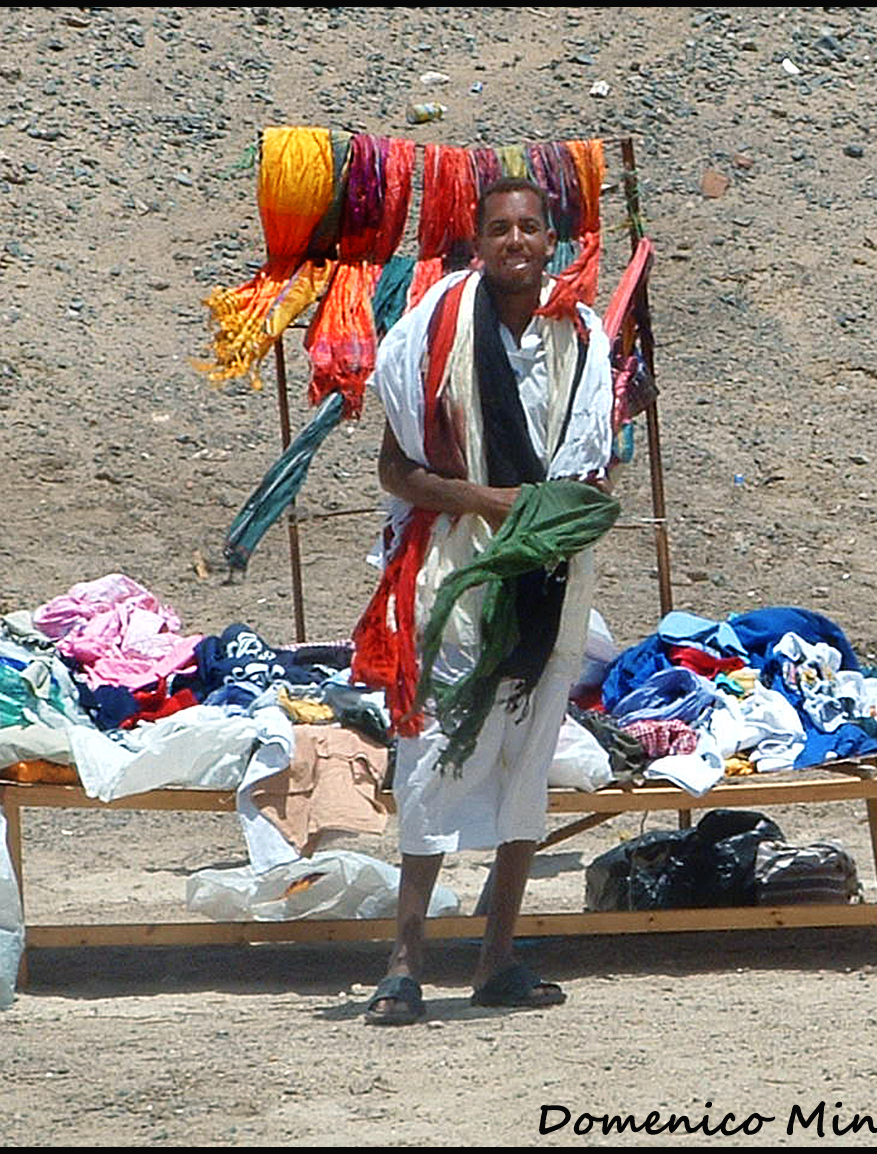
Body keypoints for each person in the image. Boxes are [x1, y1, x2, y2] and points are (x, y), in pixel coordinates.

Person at [350, 177, 615, 1024]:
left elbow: (592, 466)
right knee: (434, 748)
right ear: (478, 240)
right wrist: (486, 501)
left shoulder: (582, 339)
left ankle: (498, 957)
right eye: (498, 228)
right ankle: (404, 962)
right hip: (455, 570)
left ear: (550, 242)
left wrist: (554, 515)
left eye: (529, 228)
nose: (515, 242)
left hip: (551, 575)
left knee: (526, 755)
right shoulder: (431, 333)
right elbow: (397, 470)